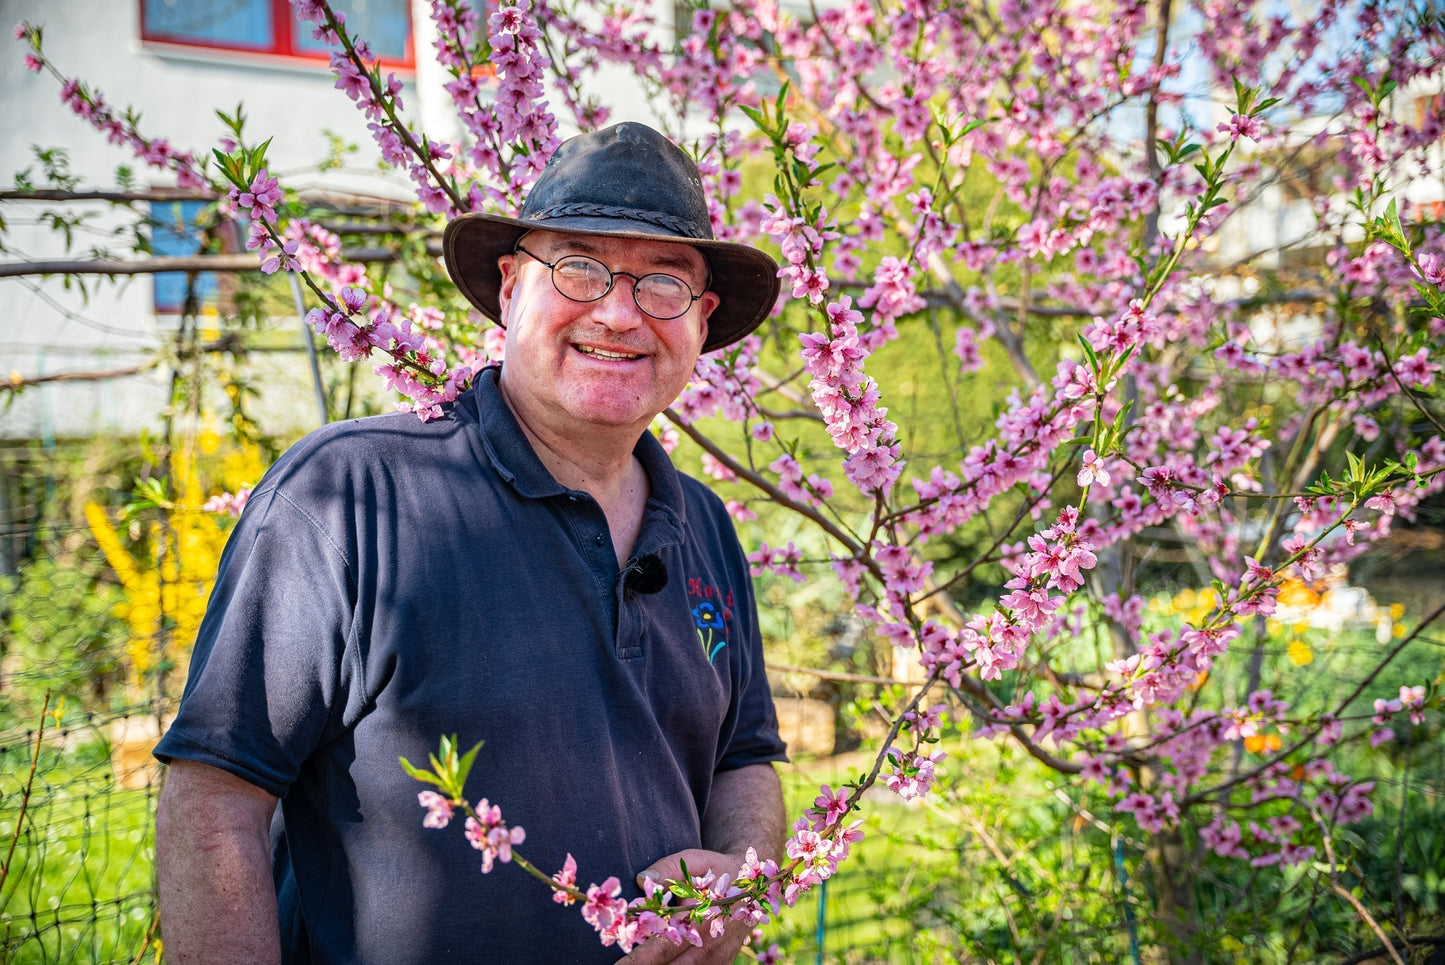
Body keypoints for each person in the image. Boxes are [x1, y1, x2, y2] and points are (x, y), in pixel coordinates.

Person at [154, 122, 788, 965]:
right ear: (510, 288)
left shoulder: (702, 522)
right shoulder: (350, 493)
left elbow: (744, 756)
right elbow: (214, 796)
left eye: (663, 282)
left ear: (701, 321)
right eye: (578, 266)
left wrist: (742, 880)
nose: (618, 312)